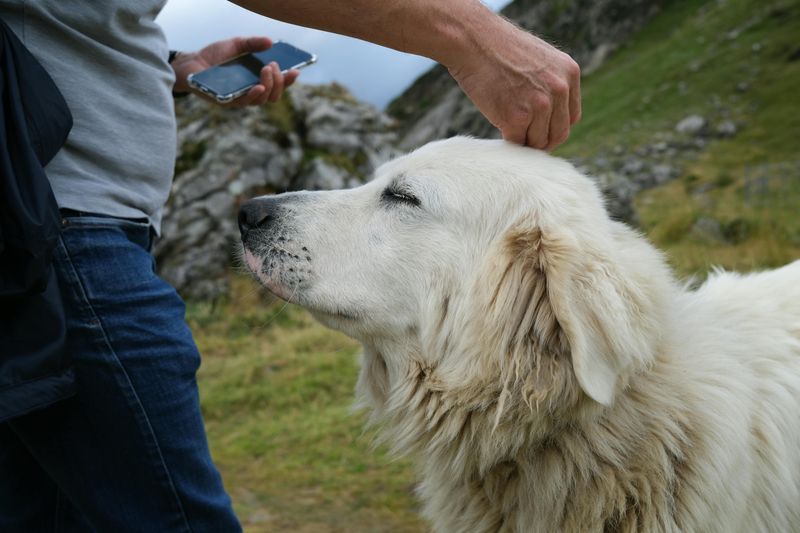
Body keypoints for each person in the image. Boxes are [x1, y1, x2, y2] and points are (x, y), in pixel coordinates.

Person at [0, 1, 580, 531]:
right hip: (66, 230)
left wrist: (176, 67)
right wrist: (472, 35)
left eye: (402, 201)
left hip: (60, 227)